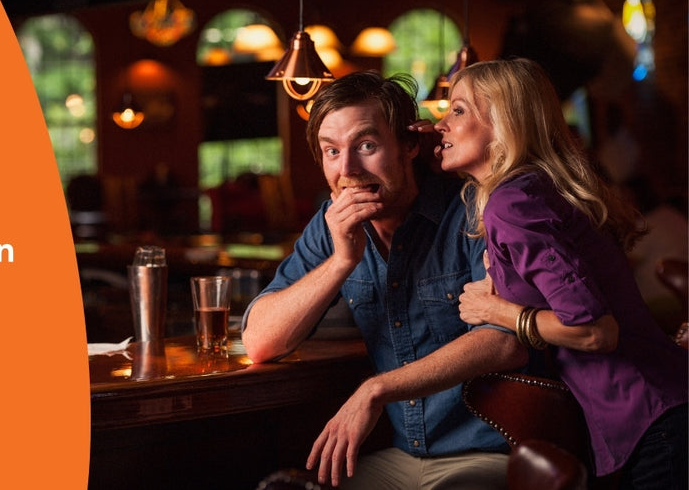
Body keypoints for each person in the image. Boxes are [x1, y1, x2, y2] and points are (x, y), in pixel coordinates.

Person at [241, 71, 529, 489]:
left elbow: (505, 340)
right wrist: (341, 260)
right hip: (405, 458)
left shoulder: (475, 208)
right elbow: (260, 341)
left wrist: (375, 390)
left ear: (410, 146)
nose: (347, 170)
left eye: (367, 146)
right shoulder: (330, 225)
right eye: (331, 151)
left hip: (494, 452)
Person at [432, 58, 688, 489]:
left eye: (457, 110)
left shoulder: (512, 204)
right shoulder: (529, 190)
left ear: (504, 123)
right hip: (660, 408)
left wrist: (496, 311)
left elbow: (594, 331)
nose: (441, 123)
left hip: (653, 417)